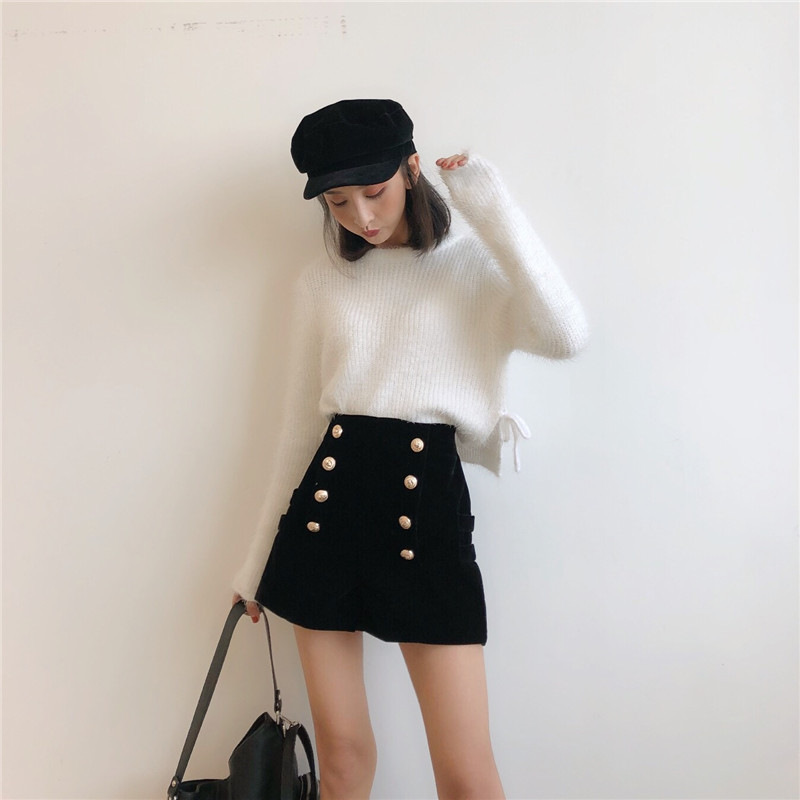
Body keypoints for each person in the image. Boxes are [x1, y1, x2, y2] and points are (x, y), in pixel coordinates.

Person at [231, 98, 588, 800]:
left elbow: (565, 336)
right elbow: (300, 430)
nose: (361, 216)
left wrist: (488, 203)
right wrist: (256, 562)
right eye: (337, 202)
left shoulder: (473, 267)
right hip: (324, 518)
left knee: (466, 775)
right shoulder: (322, 281)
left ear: (412, 168)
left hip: (424, 514)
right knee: (342, 760)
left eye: (374, 191)